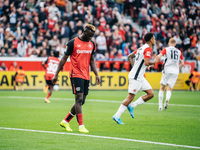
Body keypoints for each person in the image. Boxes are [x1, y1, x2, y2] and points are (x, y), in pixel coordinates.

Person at [52, 24, 100, 133]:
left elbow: (91, 61)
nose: (90, 38)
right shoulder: (72, 43)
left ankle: (65, 121)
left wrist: (96, 74)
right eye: (89, 35)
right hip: (75, 74)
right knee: (78, 99)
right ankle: (81, 126)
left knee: (82, 101)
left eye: (92, 36)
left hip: (86, 75)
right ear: (84, 31)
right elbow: (63, 59)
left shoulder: (92, 44)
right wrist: (56, 74)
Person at [112, 33, 156, 124]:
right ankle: (117, 116)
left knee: (151, 94)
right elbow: (147, 63)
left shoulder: (141, 48)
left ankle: (132, 106)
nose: (155, 40)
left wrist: (134, 67)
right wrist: (155, 62)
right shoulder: (147, 49)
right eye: (154, 38)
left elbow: (130, 56)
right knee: (130, 96)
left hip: (139, 76)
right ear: (151, 39)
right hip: (136, 77)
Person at [151, 38, 184, 110]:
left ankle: (160, 106)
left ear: (169, 43)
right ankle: (167, 100)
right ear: (175, 44)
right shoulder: (179, 52)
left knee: (162, 87)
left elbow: (159, 56)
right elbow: (182, 63)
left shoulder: (166, 49)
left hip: (167, 69)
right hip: (175, 71)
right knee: (169, 88)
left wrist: (154, 62)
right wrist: (178, 69)